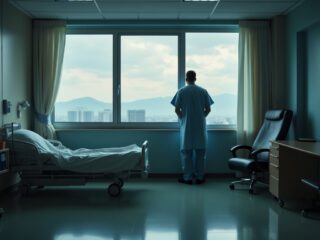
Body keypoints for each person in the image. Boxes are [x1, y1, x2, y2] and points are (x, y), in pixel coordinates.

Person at [171, 70, 214, 185]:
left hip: (187, 127)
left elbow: (176, 109)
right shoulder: (203, 91)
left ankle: (188, 178)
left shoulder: (181, 91)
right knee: (201, 153)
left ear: (186, 79)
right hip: (200, 126)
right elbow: (208, 109)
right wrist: (201, 117)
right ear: (195, 78)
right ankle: (200, 177)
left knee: (186, 153)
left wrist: (183, 119)